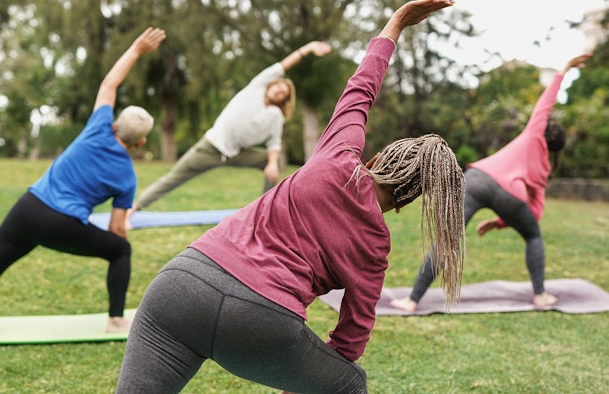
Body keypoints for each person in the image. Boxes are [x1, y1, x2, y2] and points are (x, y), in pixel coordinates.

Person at [115, 1, 462, 393]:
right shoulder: (375, 248)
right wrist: (300, 381)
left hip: (181, 284)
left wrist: (396, 23)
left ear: (377, 157)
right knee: (349, 384)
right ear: (405, 202)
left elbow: (361, 87)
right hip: (261, 320)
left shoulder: (338, 152)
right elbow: (350, 340)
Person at [0, 27, 167, 341]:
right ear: (140, 143)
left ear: (114, 125)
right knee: (120, 250)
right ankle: (115, 320)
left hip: (27, 209)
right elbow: (116, 229)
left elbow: (110, 83)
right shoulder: (127, 176)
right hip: (63, 224)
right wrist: (121, 234)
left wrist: (137, 49)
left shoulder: (98, 127)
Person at [390, 51, 593, 313]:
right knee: (533, 235)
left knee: (446, 238)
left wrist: (564, 68)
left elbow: (545, 103)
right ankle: (540, 296)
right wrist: (500, 222)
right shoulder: (543, 171)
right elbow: (536, 213)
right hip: (510, 195)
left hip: (478, 180)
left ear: (544, 131)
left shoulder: (533, 134)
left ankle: (411, 300)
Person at [126, 38, 333, 219]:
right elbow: (283, 65)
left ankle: (263, 211)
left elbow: (274, 143)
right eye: (278, 85)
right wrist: (307, 49)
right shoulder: (256, 87)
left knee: (274, 161)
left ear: (286, 99)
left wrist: (271, 164)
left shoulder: (276, 117)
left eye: (284, 92)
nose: (279, 90)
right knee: (174, 177)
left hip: (237, 154)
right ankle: (136, 207)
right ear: (271, 84)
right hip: (210, 148)